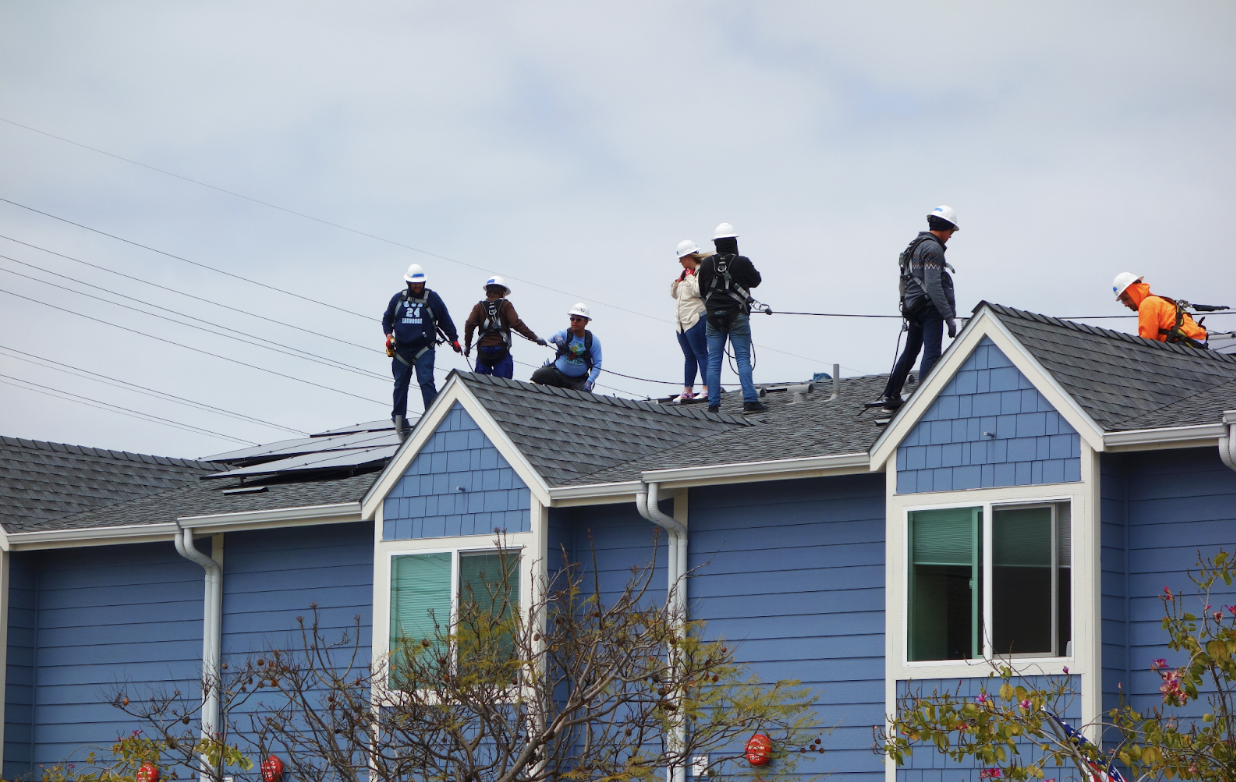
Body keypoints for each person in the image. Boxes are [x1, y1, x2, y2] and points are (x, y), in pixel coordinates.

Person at [874, 205, 960, 412]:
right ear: (944, 227)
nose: (950, 236)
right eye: (951, 231)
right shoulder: (933, 248)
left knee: (911, 351)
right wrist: (948, 316)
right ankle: (925, 400)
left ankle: (891, 396)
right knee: (932, 352)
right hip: (929, 307)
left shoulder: (915, 244)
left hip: (913, 307)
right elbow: (933, 285)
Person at [697, 223, 766, 414]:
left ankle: (713, 404)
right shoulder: (741, 262)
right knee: (743, 358)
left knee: (714, 360)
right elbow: (756, 281)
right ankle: (750, 401)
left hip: (713, 318)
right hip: (737, 315)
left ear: (716, 244)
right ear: (734, 242)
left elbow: (702, 290)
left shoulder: (706, 264)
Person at [382, 263, 460, 429]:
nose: (417, 286)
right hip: (401, 349)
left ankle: (433, 417)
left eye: (420, 283)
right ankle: (398, 419)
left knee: (426, 381)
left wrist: (454, 339)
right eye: (414, 283)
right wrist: (389, 336)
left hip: (423, 348)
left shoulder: (432, 299)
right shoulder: (398, 299)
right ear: (408, 283)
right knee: (400, 384)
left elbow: (445, 319)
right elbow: (387, 319)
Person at [463, 276, 547, 379]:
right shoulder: (506, 305)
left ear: (487, 291)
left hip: (483, 351)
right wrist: (535, 338)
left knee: (480, 384)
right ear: (502, 292)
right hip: (501, 350)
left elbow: (469, 324)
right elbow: (516, 323)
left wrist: (467, 346)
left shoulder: (478, 307)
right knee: (503, 385)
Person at [1112, 273, 1208, 346]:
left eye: (1126, 298)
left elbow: (1147, 343)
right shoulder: (1156, 301)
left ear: (1134, 292)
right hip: (1195, 343)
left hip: (1186, 344)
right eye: (1122, 301)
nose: (1125, 304)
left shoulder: (1147, 304)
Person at [530, 303, 602, 392]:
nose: (575, 321)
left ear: (586, 322)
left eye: (578, 319)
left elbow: (597, 364)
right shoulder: (565, 334)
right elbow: (551, 338)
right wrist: (557, 338)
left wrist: (589, 382)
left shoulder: (593, 341)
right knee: (538, 375)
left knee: (583, 397)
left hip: (577, 380)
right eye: (572, 319)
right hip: (558, 374)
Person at [671, 239, 710, 401]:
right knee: (689, 356)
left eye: (681, 258)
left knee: (701, 353)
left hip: (695, 318)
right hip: (681, 322)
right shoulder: (685, 274)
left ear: (689, 256)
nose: (680, 262)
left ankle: (707, 387)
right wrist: (678, 281)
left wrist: (689, 277)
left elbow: (698, 290)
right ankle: (688, 389)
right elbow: (675, 295)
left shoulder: (700, 272)